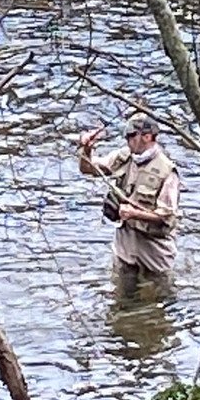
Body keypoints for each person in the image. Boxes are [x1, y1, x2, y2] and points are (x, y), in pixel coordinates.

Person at [78, 113, 180, 281]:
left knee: (156, 302)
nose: (127, 139)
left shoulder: (167, 171)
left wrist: (135, 213)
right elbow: (88, 169)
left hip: (154, 255)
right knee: (119, 303)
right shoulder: (124, 157)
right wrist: (87, 148)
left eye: (132, 135)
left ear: (147, 137)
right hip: (124, 251)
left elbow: (166, 216)